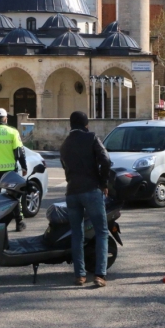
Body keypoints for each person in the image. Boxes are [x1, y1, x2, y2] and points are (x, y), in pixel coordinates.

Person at [59, 111, 112, 287]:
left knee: (77, 234)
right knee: (101, 231)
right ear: (86, 125)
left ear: (70, 125)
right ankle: (99, 275)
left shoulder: (65, 144)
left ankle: (80, 275)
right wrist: (103, 183)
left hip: (72, 192)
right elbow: (105, 160)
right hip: (91, 190)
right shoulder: (91, 138)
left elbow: (64, 167)